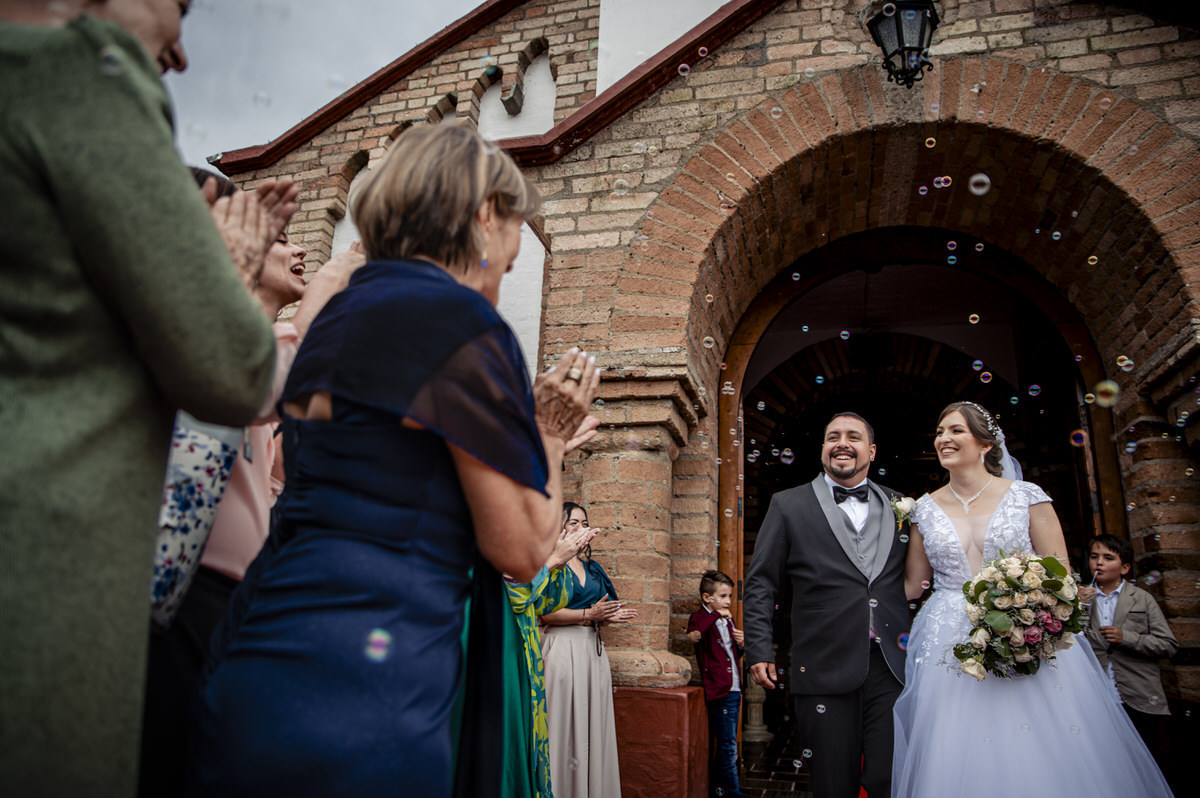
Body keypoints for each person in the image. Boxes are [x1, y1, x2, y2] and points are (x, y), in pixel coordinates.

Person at [188, 122, 601, 798]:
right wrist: (549, 434)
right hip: (371, 684)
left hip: (252, 653)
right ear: (482, 216)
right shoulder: (461, 323)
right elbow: (522, 549)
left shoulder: (331, 322)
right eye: (511, 244)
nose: (507, 268)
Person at [0, 2, 297, 794]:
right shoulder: (82, 73)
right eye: (180, 6)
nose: (181, 51)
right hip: (58, 560)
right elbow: (228, 371)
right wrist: (231, 275)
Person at [138, 169, 367, 798]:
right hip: (172, 597)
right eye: (275, 235)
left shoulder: (263, 348)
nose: (296, 248)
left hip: (240, 601)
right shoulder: (169, 328)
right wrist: (329, 288)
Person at [893, 401, 1173, 797]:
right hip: (948, 640)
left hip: (1024, 628)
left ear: (986, 443)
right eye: (939, 432)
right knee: (955, 744)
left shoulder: (1026, 496)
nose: (944, 439)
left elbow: (1059, 573)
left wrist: (1029, 612)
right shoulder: (923, 508)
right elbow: (914, 583)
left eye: (956, 430)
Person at [742, 412, 911, 798]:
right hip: (821, 662)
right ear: (822, 448)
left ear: (871, 451)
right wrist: (758, 648)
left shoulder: (902, 505)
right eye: (833, 436)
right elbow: (761, 582)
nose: (842, 443)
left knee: (889, 779)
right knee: (833, 784)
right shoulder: (788, 504)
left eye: (853, 436)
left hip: (891, 665)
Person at [541, 502, 637, 798]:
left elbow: (603, 608)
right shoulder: (550, 565)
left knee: (593, 726)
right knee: (561, 724)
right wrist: (588, 614)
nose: (581, 528)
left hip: (592, 651)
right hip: (561, 648)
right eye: (573, 522)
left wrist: (608, 616)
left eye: (584, 523)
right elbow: (544, 613)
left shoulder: (594, 569)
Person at [504, 519, 597, 798]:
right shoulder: (495, 541)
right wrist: (554, 558)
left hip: (526, 651)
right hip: (503, 651)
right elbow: (517, 595)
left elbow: (547, 602)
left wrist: (561, 559)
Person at [1084, 533, 1178, 768]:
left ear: (1125, 568)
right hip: (1097, 697)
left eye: (1108, 558)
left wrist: (1127, 638)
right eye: (1094, 557)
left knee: (1146, 764)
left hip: (1139, 697)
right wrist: (1078, 606)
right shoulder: (1081, 599)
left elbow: (1168, 644)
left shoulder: (1142, 599)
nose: (1099, 563)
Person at [687, 570, 745, 798]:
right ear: (707, 597)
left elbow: (730, 656)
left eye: (729, 596)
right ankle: (733, 793)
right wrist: (716, 615)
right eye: (723, 596)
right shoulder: (700, 618)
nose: (728, 601)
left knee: (727, 744)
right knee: (728, 747)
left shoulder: (727, 621)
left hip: (734, 688)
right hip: (720, 690)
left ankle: (722, 789)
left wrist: (741, 645)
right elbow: (695, 635)